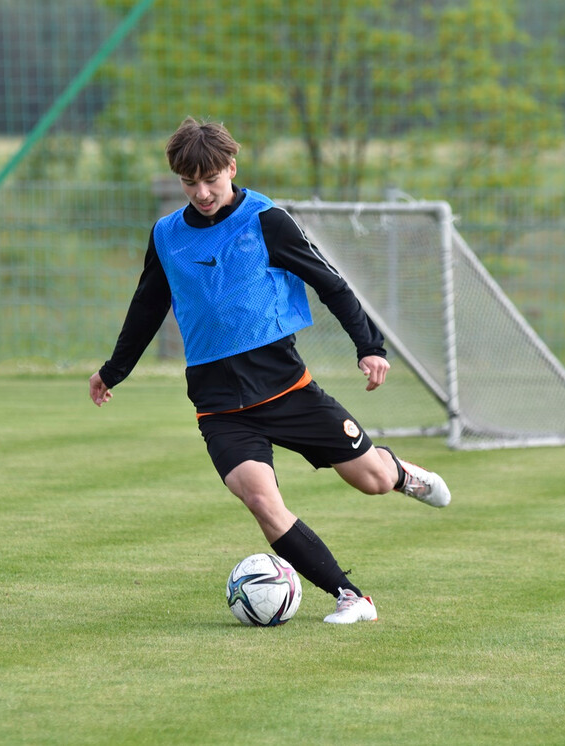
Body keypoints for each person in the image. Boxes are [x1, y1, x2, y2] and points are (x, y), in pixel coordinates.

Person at [88, 117, 451, 625]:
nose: (202, 192)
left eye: (211, 179)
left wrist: (369, 346)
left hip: (288, 390)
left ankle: (400, 473)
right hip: (220, 408)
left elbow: (332, 283)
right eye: (189, 183)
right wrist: (114, 370)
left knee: (370, 480)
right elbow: (148, 304)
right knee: (261, 500)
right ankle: (352, 597)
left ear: (231, 168)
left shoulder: (266, 220)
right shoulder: (167, 235)